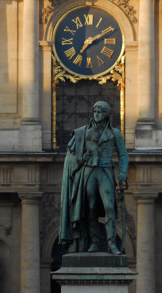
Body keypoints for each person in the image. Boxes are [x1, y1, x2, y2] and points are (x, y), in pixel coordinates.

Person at [60, 100, 129, 255]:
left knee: (109, 207)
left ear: (106, 115)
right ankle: (95, 242)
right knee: (89, 208)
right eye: (95, 111)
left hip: (105, 170)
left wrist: (123, 172)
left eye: (100, 112)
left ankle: (111, 243)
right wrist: (81, 157)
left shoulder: (115, 133)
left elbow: (123, 154)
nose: (96, 114)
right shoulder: (83, 132)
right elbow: (74, 154)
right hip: (89, 172)